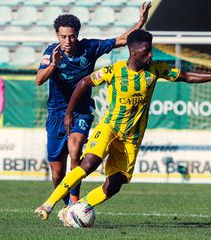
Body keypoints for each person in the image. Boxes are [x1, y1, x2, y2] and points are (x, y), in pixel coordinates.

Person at [34, 29, 211, 223]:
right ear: (133, 53)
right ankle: (48, 205)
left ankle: (76, 209)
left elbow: (186, 77)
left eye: (150, 50)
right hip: (109, 127)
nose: (150, 55)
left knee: (114, 184)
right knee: (88, 163)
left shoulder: (156, 69)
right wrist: (69, 113)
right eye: (146, 52)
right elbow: (83, 83)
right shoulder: (113, 71)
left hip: (131, 137)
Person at [35, 2, 152, 205]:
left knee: (76, 147)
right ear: (57, 36)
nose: (68, 41)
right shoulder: (51, 52)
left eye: (72, 36)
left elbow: (122, 40)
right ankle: (65, 203)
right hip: (55, 113)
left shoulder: (89, 47)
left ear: (77, 34)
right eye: (63, 37)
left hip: (81, 110)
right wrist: (54, 64)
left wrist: (141, 21)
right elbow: (38, 80)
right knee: (56, 172)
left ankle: (74, 200)